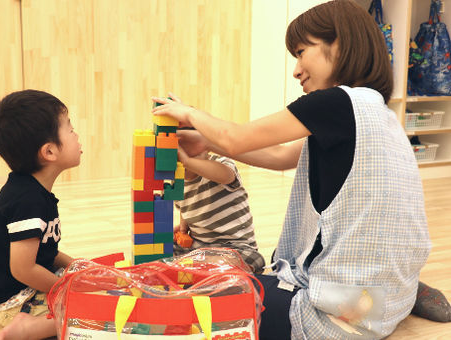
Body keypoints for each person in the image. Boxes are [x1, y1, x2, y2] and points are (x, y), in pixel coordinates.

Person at [152, 1, 449, 338]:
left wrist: (188, 113)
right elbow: (280, 155)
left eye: (301, 51)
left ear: (338, 43)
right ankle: (404, 293)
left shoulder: (335, 102)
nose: (296, 70)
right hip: (382, 299)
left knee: (204, 293)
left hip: (340, 320)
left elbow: (235, 139)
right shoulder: (376, 112)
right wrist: (206, 142)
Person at [0, 89, 82, 340]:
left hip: (15, 288)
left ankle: (2, 302)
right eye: (69, 129)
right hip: (18, 295)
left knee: (83, 283)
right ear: (49, 152)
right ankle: (24, 327)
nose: (76, 135)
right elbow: (23, 269)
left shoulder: (33, 191)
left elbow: (45, 250)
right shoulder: (28, 201)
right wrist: (64, 289)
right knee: (89, 316)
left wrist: (77, 266)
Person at [173, 144, 266, 274]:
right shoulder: (176, 181)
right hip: (199, 247)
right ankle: (204, 269)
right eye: (178, 158)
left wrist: (189, 162)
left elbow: (226, 176)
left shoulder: (221, 164)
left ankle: (200, 269)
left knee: (255, 259)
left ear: (206, 149)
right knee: (165, 248)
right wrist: (183, 227)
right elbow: (183, 206)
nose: (183, 163)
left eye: (190, 155)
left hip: (234, 247)